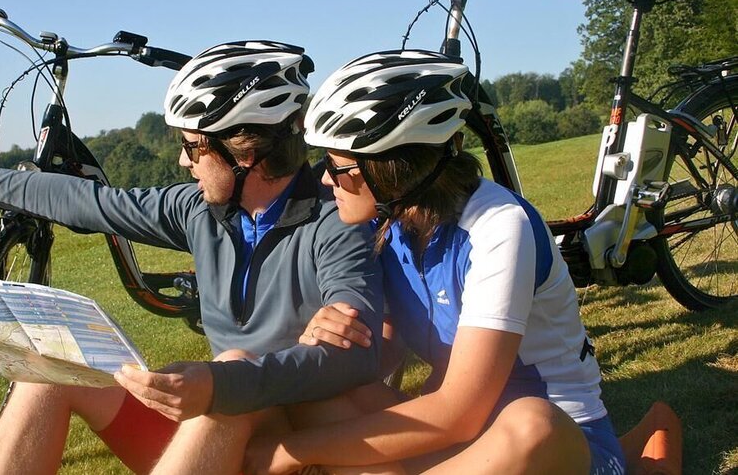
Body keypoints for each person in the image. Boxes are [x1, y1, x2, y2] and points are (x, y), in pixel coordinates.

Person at [0, 41, 384, 474]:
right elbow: (87, 201)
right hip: (212, 438)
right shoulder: (199, 210)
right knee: (52, 368)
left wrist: (222, 383)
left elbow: (357, 356)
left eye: (192, 146)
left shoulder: (335, 219)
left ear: (244, 151)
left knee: (232, 371)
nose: (183, 160)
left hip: (291, 448)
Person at [244, 49, 626, 475]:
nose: (325, 178)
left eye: (338, 165)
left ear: (391, 167)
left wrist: (293, 450)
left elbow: (459, 412)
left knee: (530, 423)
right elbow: (387, 350)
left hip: (558, 442)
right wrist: (335, 341)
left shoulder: (498, 225)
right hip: (463, 439)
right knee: (319, 388)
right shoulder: (387, 224)